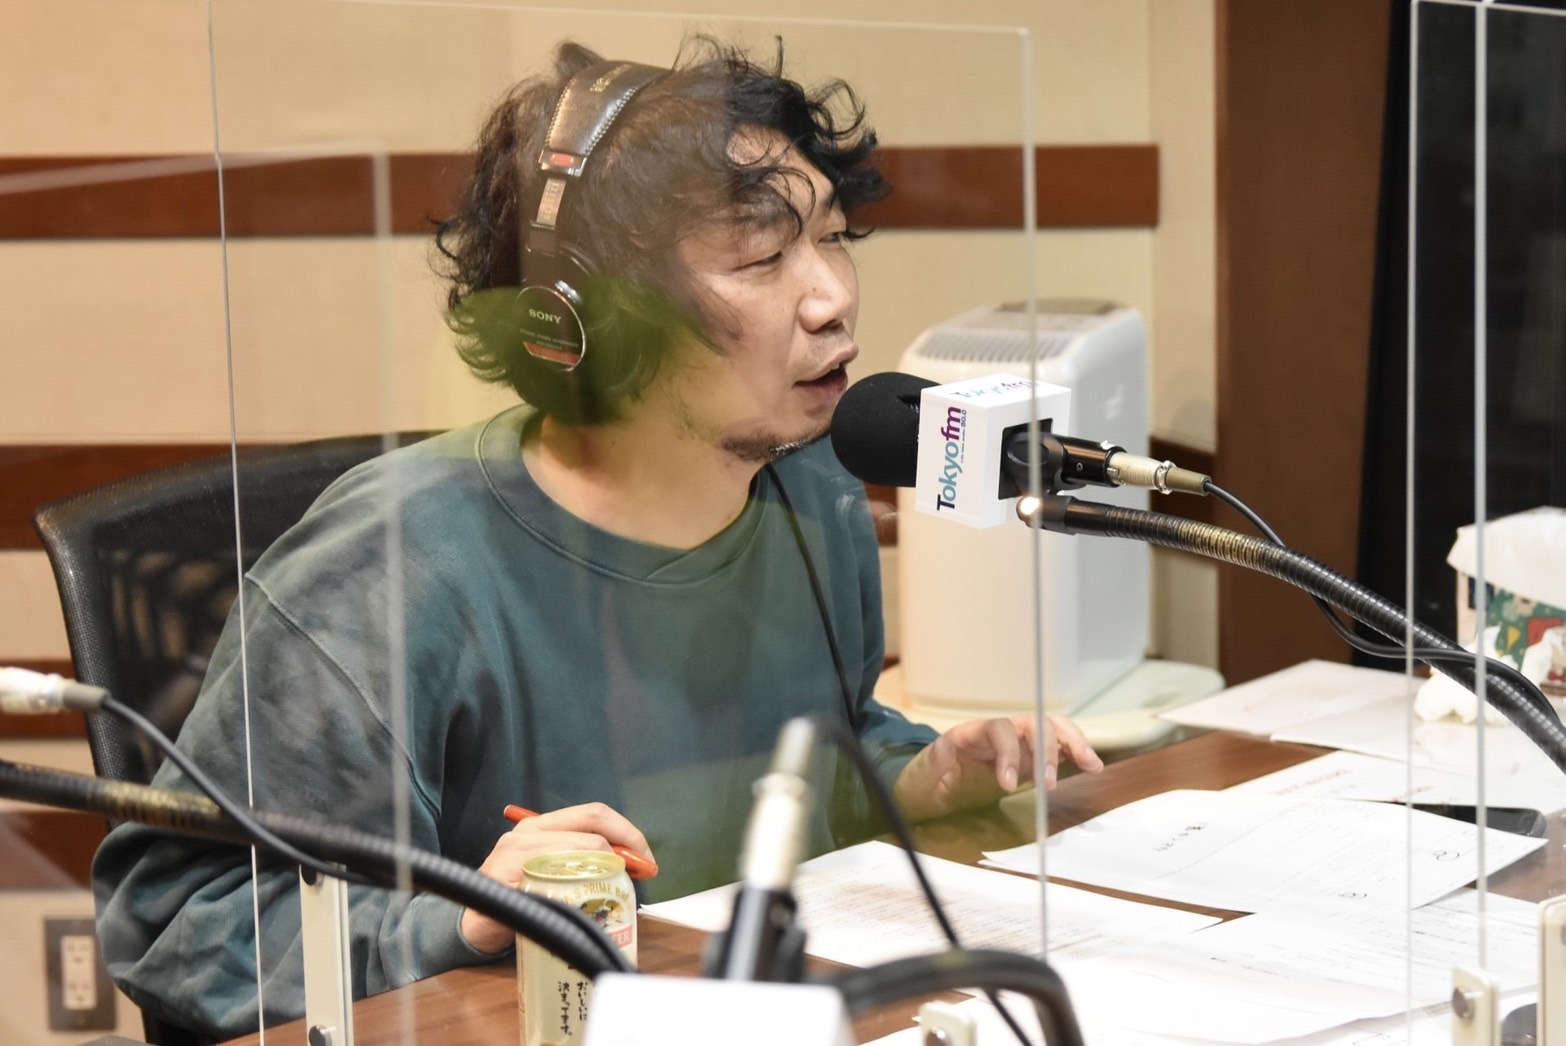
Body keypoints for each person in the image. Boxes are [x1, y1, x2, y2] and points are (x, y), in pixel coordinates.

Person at [92, 36, 1102, 1041]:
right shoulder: (389, 570)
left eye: (831, 236)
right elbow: (181, 920)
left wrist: (923, 776)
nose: (832, 294)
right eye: (763, 257)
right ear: (593, 322)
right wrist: (465, 918)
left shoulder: (812, 485)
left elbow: (790, 762)